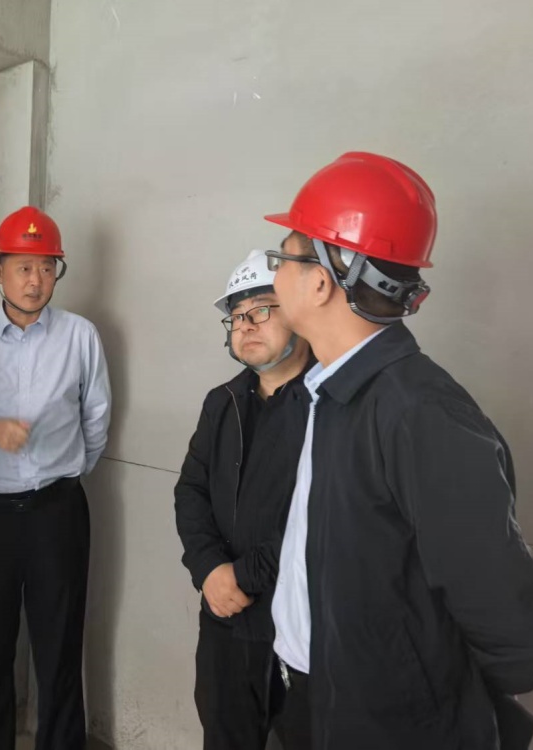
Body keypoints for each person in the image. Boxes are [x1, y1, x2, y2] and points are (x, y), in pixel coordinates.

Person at [264, 152, 533, 750]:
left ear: (321, 281)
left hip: (389, 722)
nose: (275, 276)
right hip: (322, 695)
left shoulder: (416, 411)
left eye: (283, 258)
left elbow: (505, 613)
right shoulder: (333, 392)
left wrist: (435, 700)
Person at [0, 206, 111, 750]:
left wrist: (64, 475)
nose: (36, 281)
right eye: (23, 268)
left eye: (47, 268)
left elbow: (96, 418)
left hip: (57, 513)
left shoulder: (80, 336)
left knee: (59, 649)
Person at [174, 249, 313, 750]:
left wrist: (243, 576)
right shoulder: (223, 402)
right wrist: (209, 569)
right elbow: (190, 491)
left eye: (261, 310)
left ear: (298, 314)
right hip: (226, 619)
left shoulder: (330, 404)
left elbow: (320, 520)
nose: (246, 325)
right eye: (236, 316)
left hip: (301, 624)